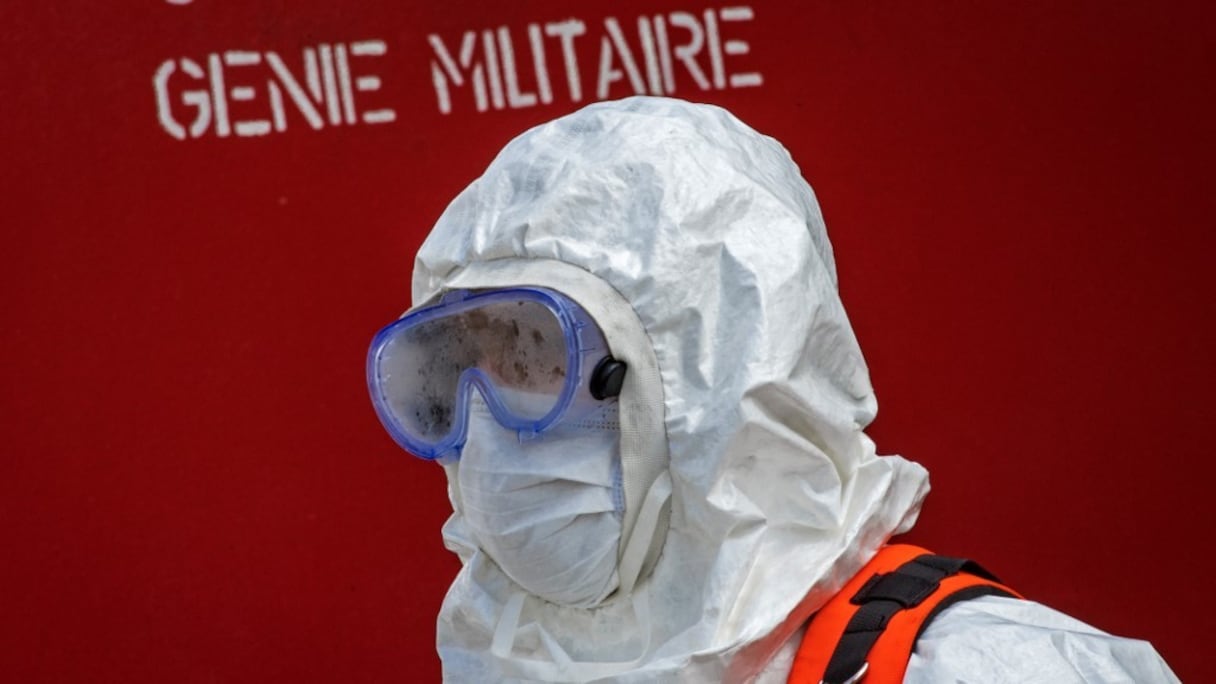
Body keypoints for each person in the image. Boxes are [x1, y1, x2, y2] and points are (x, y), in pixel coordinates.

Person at [367, 97, 1178, 683]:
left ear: (710, 376)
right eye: (454, 370)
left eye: (536, 355)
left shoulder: (998, 671)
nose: (491, 430)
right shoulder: (499, 664)